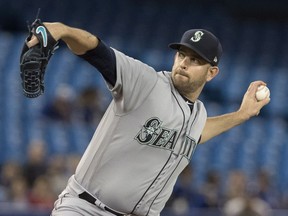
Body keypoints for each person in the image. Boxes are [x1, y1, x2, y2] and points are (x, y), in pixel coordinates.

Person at [26, 22, 270, 216]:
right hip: (86, 208)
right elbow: (97, 52)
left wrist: (241, 115)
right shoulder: (146, 82)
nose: (184, 63)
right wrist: (64, 30)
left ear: (212, 72)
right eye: (182, 55)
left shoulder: (198, 115)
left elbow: (199, 132)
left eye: (195, 60)